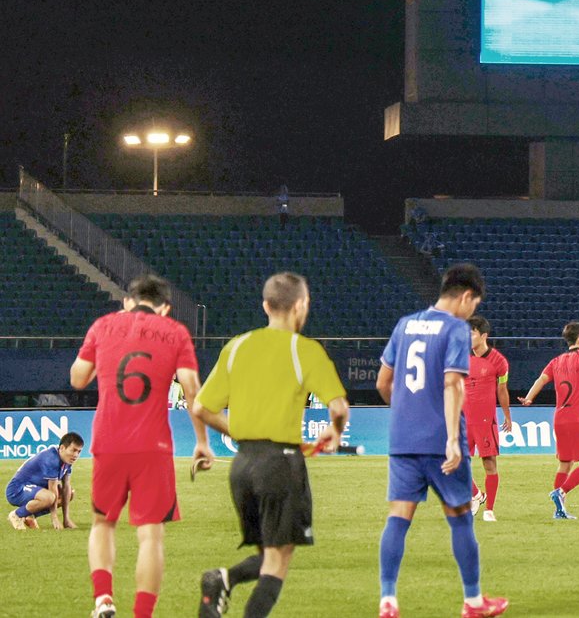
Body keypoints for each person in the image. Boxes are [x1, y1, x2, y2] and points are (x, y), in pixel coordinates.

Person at [192, 272, 349, 618]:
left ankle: (222, 579)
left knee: (268, 553)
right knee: (278, 561)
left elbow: (201, 407)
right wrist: (334, 432)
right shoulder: (304, 349)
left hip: (243, 465)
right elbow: (339, 408)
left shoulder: (237, 346)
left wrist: (240, 431)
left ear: (265, 305)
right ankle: (230, 586)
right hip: (280, 465)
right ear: (302, 306)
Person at [70, 274, 214, 618]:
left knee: (103, 523)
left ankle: (103, 599)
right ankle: (142, 614)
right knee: (151, 536)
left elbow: (77, 378)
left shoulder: (103, 326)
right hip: (154, 445)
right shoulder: (176, 332)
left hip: (108, 441)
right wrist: (201, 442)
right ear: (165, 308)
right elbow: (193, 389)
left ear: (127, 302)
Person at [374, 263, 508, 618]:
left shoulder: (405, 324)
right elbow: (452, 383)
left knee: (398, 518)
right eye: (474, 305)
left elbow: (382, 384)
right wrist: (451, 438)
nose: (472, 312)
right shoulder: (455, 329)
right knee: (461, 517)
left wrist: (407, 412)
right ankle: (474, 602)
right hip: (440, 441)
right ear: (466, 296)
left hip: (403, 439)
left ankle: (388, 600)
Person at [519, 321, 579, 520]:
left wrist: (529, 398)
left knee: (565, 464)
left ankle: (559, 510)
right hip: (578, 418)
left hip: (559, 419)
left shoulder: (557, 360)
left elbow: (540, 380)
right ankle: (561, 492)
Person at [465, 315, 513, 523]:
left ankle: (489, 510)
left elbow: (502, 390)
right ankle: (476, 494)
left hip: (485, 421)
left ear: (483, 335)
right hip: (464, 420)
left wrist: (507, 415)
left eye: (472, 333)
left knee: (489, 463)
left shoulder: (499, 362)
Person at [7, 431, 82, 530]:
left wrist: (66, 519)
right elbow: (52, 489)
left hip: (34, 489)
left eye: (79, 451)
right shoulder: (51, 459)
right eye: (73, 450)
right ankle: (17, 515)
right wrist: (54, 518)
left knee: (69, 494)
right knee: (50, 497)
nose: (76, 455)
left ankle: (30, 516)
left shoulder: (67, 459)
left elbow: (66, 487)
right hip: (17, 490)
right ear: (63, 448)